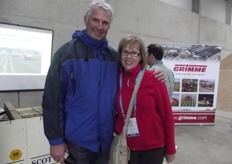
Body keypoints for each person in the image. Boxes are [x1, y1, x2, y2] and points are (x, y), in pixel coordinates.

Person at [42, 1, 165, 164]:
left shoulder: (114, 58)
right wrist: (55, 140)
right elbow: (52, 100)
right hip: (77, 143)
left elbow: (132, 74)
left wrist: (153, 73)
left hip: (106, 143)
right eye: (95, 20)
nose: (99, 26)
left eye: (105, 22)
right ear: (85, 19)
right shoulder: (66, 55)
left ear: (109, 26)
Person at [114, 35, 176, 164]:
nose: (128, 56)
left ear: (141, 56)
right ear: (120, 54)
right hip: (126, 146)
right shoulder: (115, 77)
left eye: (134, 53)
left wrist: (170, 148)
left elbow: (167, 115)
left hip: (152, 149)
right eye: (125, 52)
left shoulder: (153, 78)